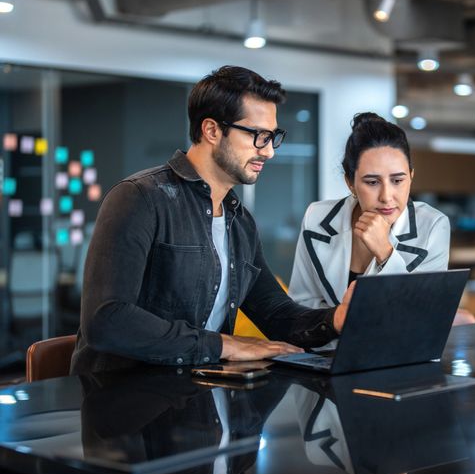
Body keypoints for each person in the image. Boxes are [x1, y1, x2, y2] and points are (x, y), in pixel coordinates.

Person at [70, 66, 351, 375]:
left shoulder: (239, 222)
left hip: (203, 400)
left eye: (272, 137)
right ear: (212, 131)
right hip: (125, 402)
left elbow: (276, 314)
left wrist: (336, 319)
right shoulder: (140, 198)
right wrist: (223, 345)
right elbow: (107, 319)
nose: (269, 152)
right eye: (258, 136)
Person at [288, 112, 449, 309]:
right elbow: (301, 304)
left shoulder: (433, 225)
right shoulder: (317, 217)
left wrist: (385, 252)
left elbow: (423, 312)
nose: (387, 196)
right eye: (372, 182)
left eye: (398, 181)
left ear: (411, 176)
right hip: (327, 339)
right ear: (350, 183)